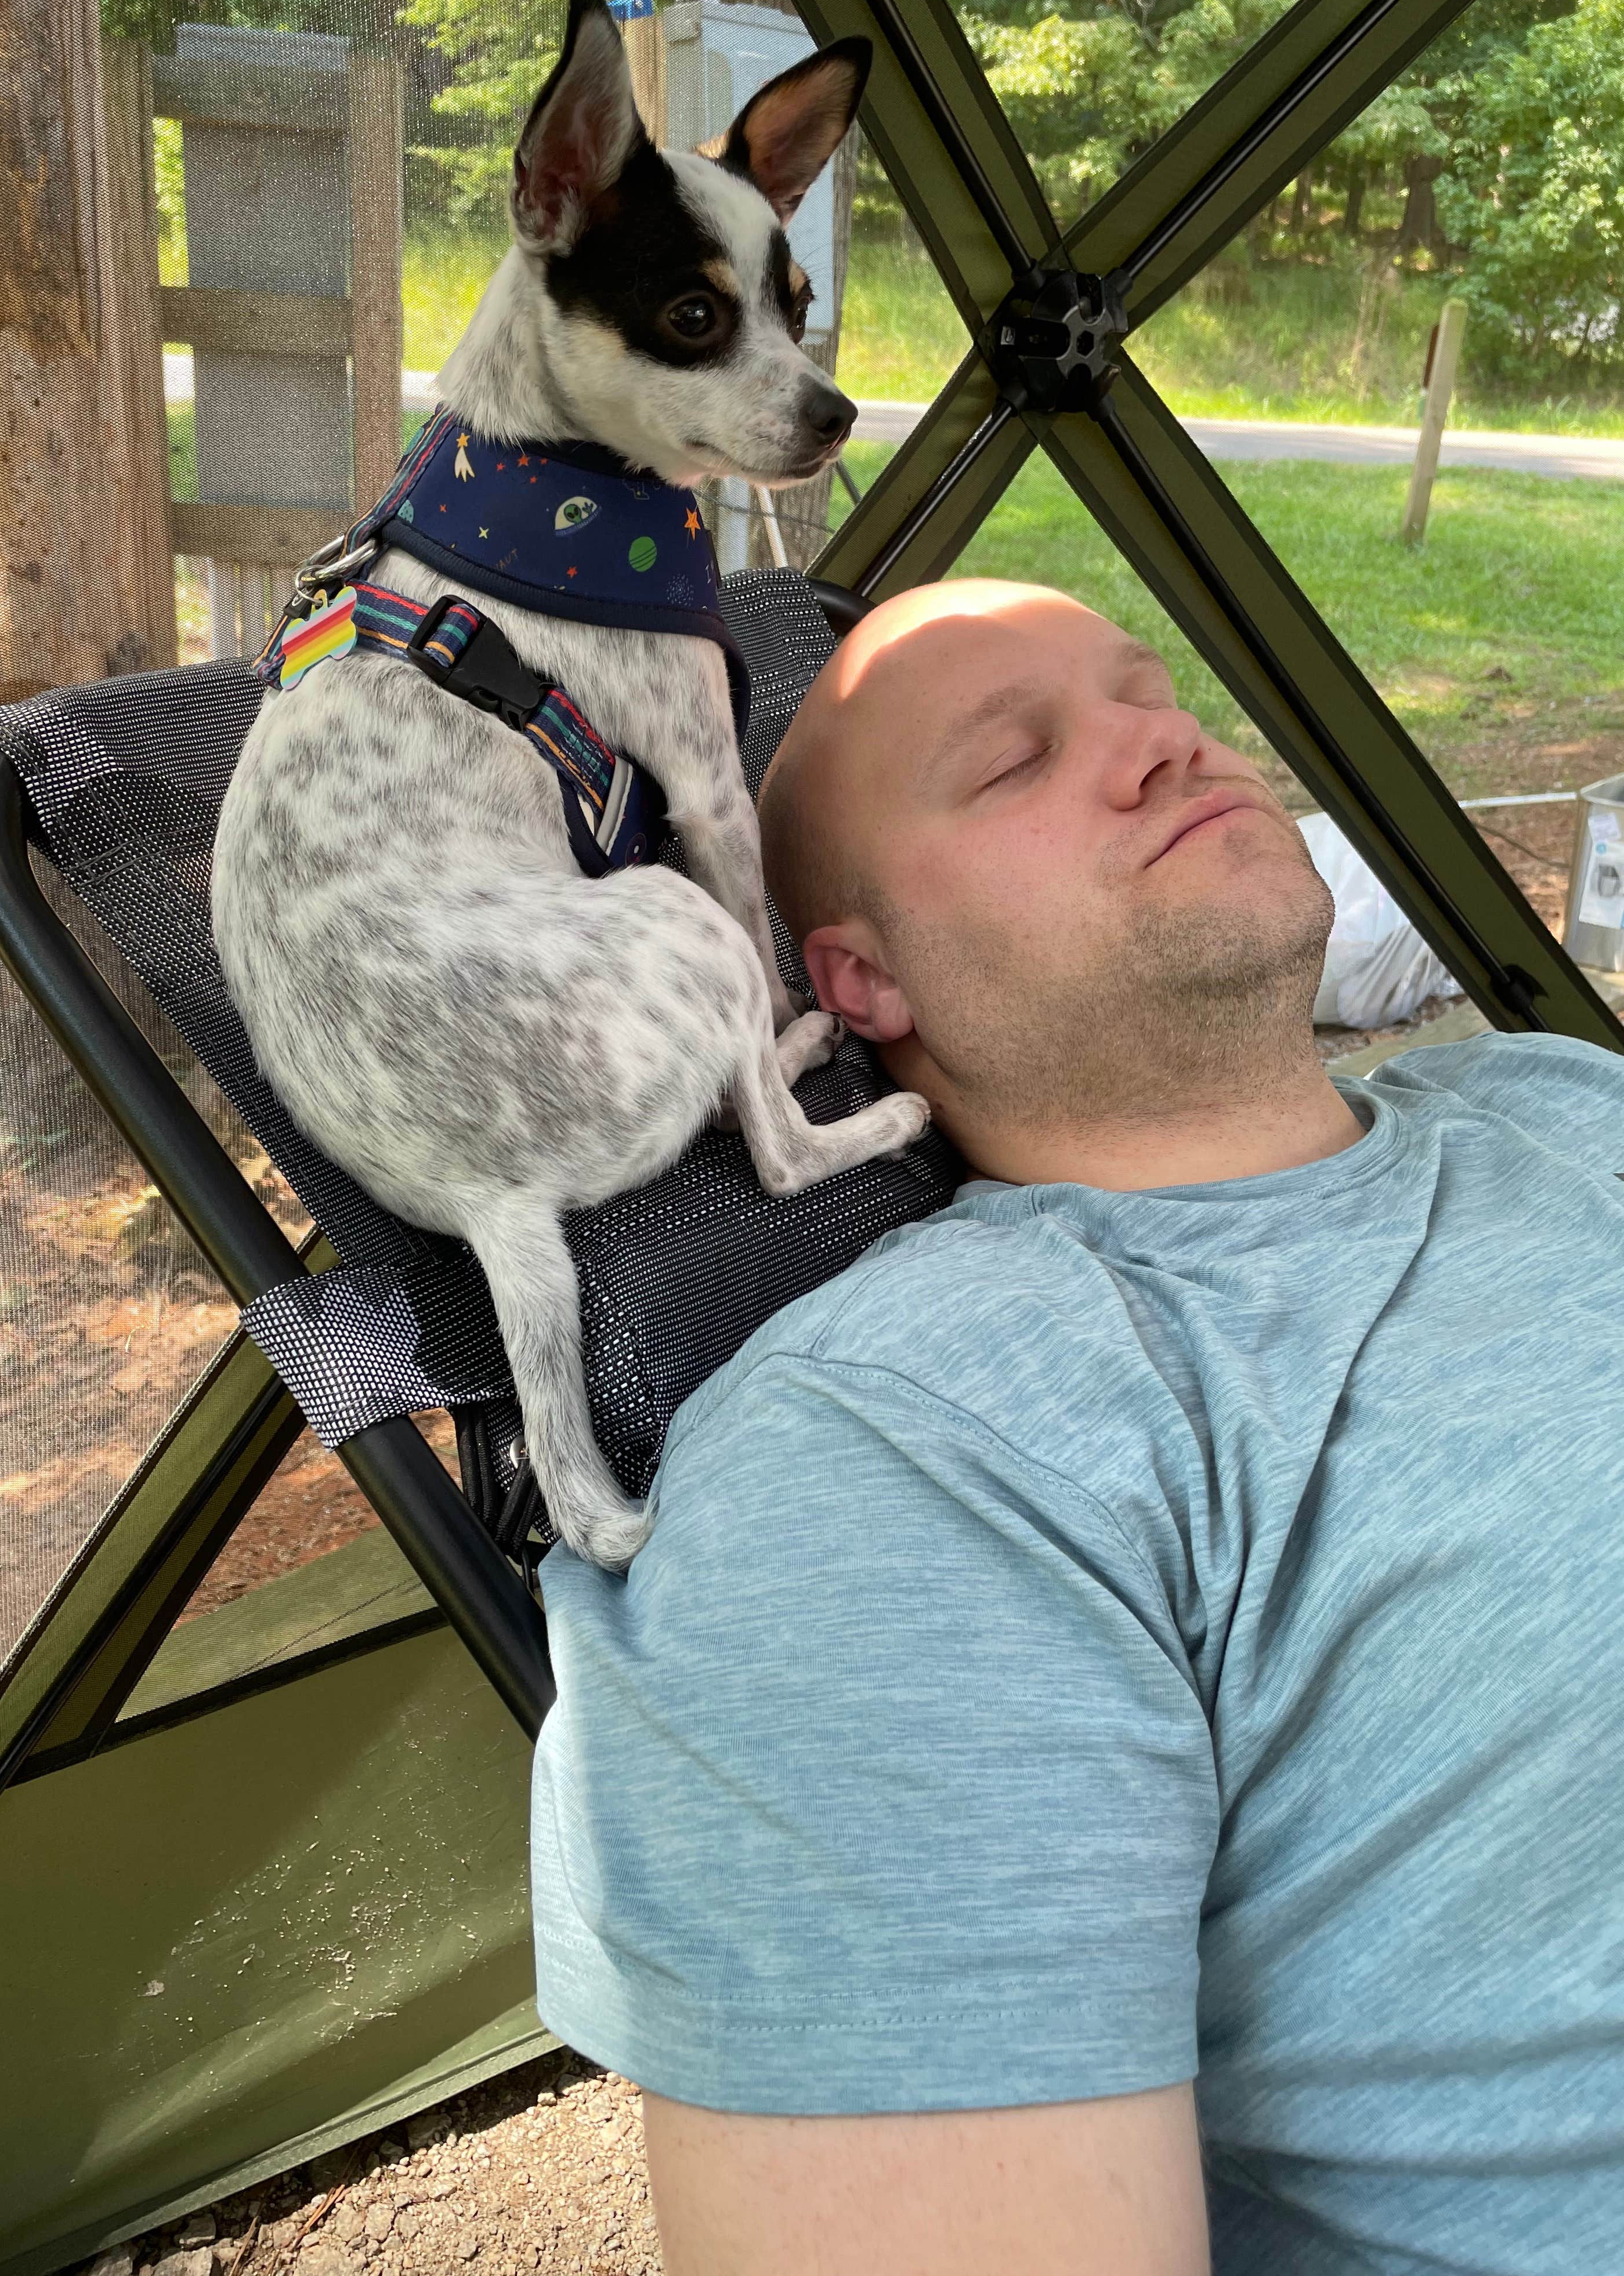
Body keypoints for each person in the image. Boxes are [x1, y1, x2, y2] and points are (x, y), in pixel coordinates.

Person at [528, 578, 1624, 2275]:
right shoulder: (898, 1451)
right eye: (1014, 760)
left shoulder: (1556, 1096)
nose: (1160, 739)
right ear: (861, 977)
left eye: (1149, 688)